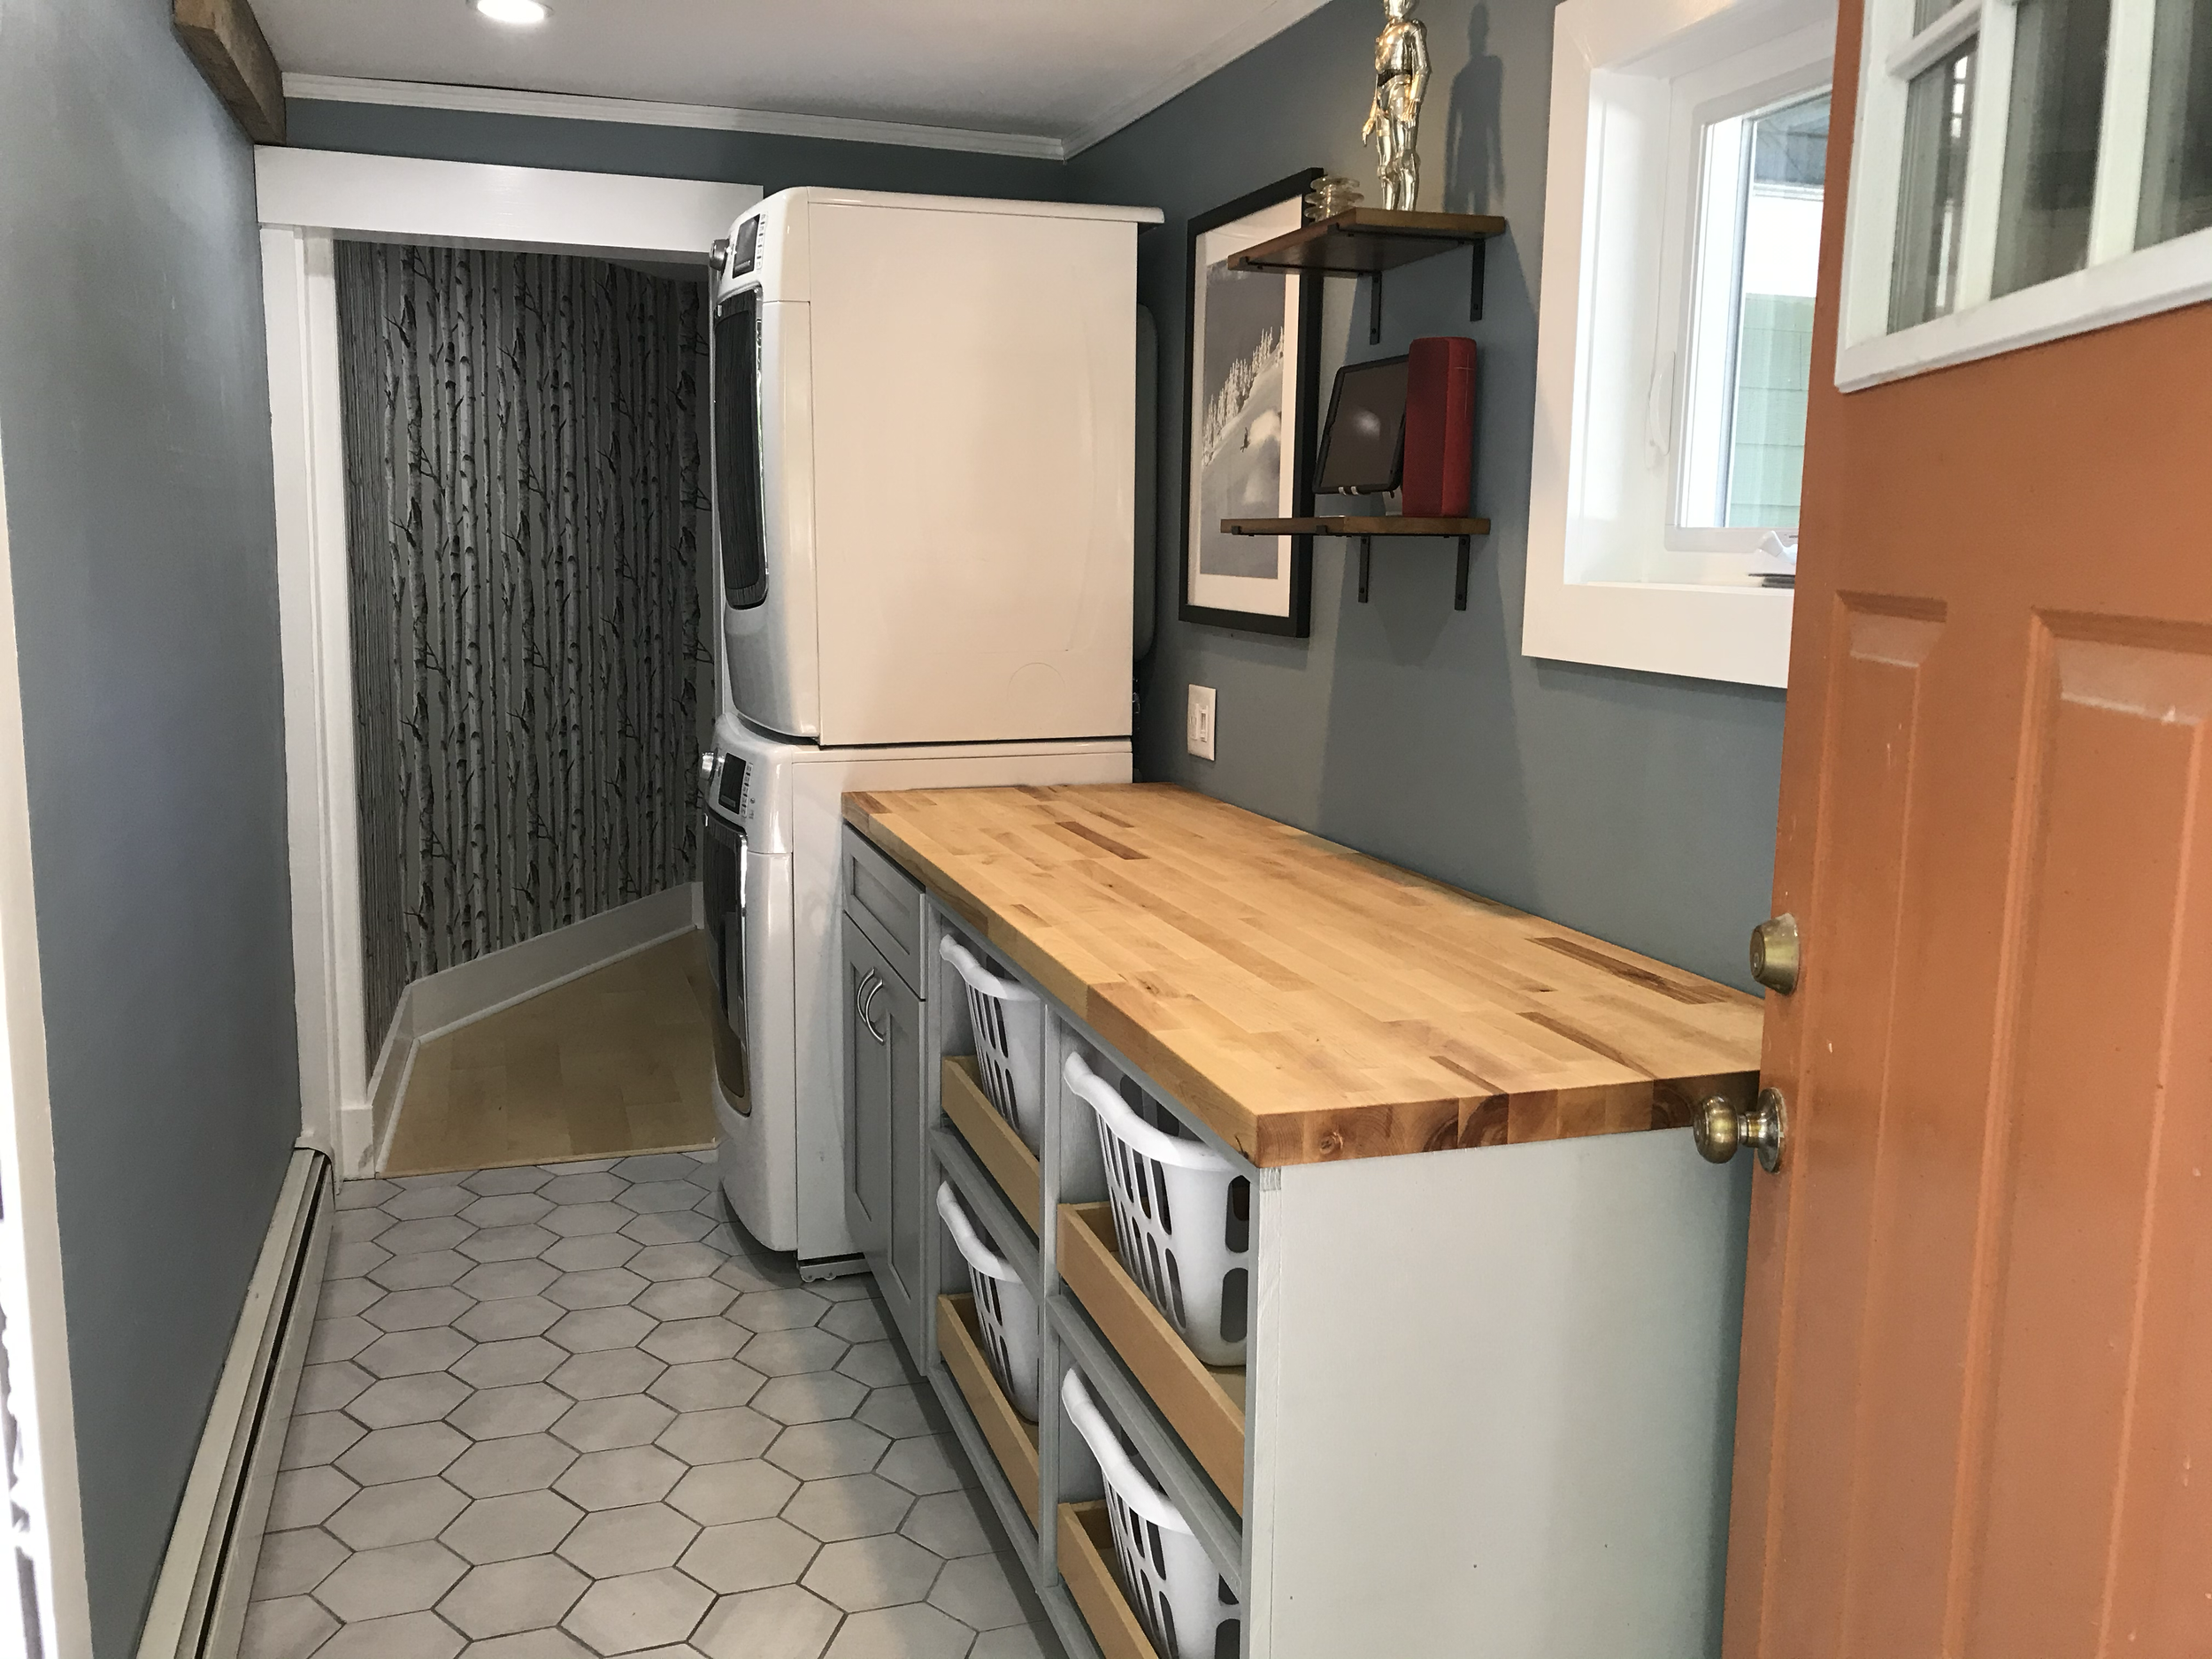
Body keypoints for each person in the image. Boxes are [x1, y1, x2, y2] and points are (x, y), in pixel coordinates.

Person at [1363, 0, 1431, 211]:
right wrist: (1372, 115)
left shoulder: (1411, 29)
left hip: (1401, 88)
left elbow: (1422, 67)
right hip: (1384, 93)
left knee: (1404, 155)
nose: (1386, 4)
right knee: (1385, 165)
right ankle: (1388, 213)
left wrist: (1414, 99)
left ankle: (1407, 212)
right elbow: (1379, 76)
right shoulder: (1383, 35)